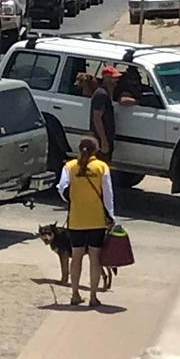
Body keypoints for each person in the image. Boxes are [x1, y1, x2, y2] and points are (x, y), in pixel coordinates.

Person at [57, 135, 115, 307]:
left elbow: (61, 188)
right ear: (96, 150)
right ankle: (93, 297)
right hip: (96, 219)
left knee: (76, 257)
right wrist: (111, 215)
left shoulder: (70, 166)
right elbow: (108, 195)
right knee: (95, 258)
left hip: (77, 219)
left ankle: (75, 294)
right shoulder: (101, 167)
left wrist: (72, 200)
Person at [90, 65, 120, 163]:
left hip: (107, 137)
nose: (116, 81)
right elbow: (97, 118)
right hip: (100, 138)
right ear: (106, 78)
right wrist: (103, 140)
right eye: (114, 78)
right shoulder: (101, 95)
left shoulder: (107, 93)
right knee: (100, 166)